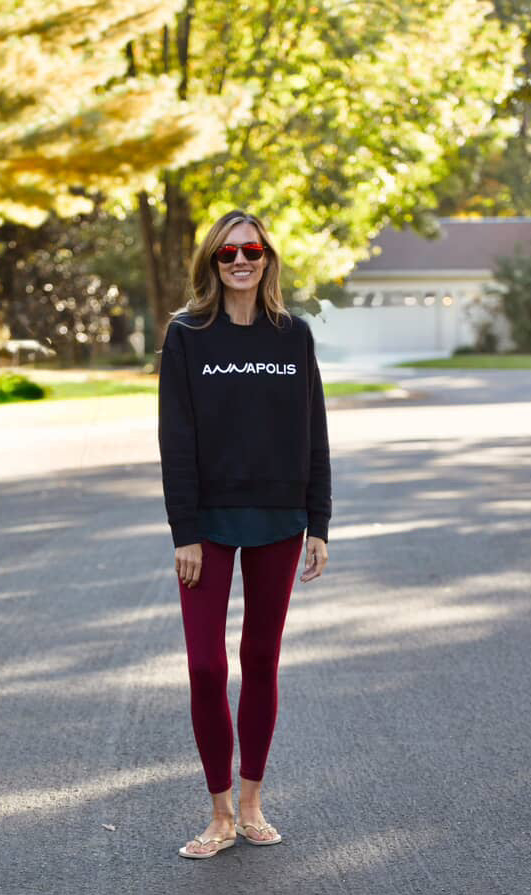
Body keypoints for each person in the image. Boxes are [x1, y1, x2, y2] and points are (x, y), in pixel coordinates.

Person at [157, 208, 331, 859]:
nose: (239, 262)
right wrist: (185, 530)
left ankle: (252, 803)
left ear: (267, 259)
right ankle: (218, 812)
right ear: (212, 262)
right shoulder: (187, 336)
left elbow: (313, 433)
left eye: (251, 251)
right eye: (227, 253)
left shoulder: (294, 336)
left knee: (260, 659)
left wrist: (320, 521)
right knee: (205, 665)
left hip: (280, 522)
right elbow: (175, 440)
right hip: (206, 526)